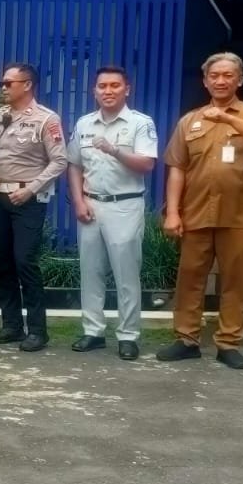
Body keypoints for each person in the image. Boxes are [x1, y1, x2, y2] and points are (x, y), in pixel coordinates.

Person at [158, 52, 243, 370]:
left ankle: (228, 343)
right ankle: (186, 340)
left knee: (236, 281)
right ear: (205, 80)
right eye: (215, 76)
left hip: (240, 215)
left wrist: (229, 118)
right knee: (189, 279)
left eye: (228, 75)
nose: (221, 81)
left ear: (239, 80)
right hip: (197, 213)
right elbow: (176, 169)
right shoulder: (190, 120)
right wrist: (173, 212)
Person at [67, 67, 158, 362]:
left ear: (127, 89)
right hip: (92, 204)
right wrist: (78, 201)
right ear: (94, 90)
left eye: (115, 85)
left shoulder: (139, 123)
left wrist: (114, 150)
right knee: (90, 271)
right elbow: (75, 165)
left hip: (125, 205)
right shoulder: (84, 123)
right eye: (102, 86)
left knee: (126, 274)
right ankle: (93, 331)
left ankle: (128, 335)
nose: (108, 91)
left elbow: (146, 164)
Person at [0, 63, 68, 352]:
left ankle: (38, 331)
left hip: (28, 199)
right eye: (2, 83)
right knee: (3, 263)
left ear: (27, 85)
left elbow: (59, 161)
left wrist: (30, 189)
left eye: (9, 83)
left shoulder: (46, 119)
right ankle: (11, 326)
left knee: (25, 262)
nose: (3, 87)